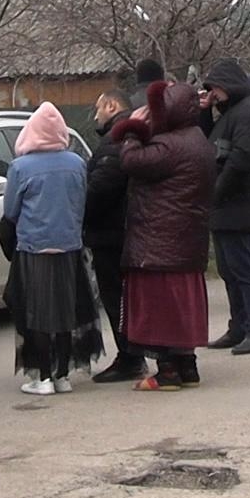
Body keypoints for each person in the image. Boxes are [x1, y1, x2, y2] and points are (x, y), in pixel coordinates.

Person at [113, 79, 218, 390]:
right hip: (187, 240)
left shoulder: (170, 146)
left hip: (157, 242)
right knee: (181, 307)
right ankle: (187, 365)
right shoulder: (198, 139)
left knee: (159, 308)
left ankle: (167, 370)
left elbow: (130, 161)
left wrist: (132, 130)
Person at [0, 103, 104, 394]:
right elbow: (81, 203)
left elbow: (11, 210)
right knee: (65, 312)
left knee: (37, 314)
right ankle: (63, 375)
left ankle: (41, 376)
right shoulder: (76, 163)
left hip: (35, 247)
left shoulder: (20, 167)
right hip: (69, 247)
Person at [200, 57, 250, 355]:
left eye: (215, 88)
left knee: (245, 269)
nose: (213, 94)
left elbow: (242, 157)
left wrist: (217, 191)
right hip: (223, 205)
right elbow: (207, 140)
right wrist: (205, 112)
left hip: (239, 202)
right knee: (230, 270)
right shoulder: (230, 114)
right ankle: (238, 326)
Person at [86, 88, 144, 383]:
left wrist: (81, 213)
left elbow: (100, 190)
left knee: (117, 296)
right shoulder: (129, 135)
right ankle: (133, 353)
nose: (96, 116)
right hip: (125, 229)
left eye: (98, 108)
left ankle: (130, 356)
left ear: (111, 106)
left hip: (112, 234)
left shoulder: (115, 140)